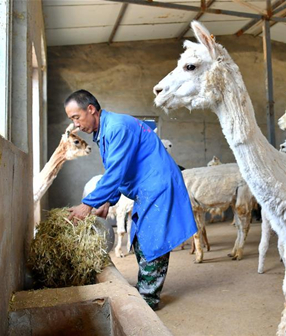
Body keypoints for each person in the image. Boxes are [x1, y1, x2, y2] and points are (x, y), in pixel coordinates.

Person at [65, 89, 197, 310]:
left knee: (152, 242)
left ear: (91, 109)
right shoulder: (105, 131)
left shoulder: (117, 127)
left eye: (76, 117)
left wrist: (88, 204)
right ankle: (146, 290)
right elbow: (121, 170)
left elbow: (115, 172)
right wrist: (108, 199)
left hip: (158, 186)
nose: (76, 125)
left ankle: (148, 299)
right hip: (147, 187)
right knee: (139, 240)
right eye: (72, 120)